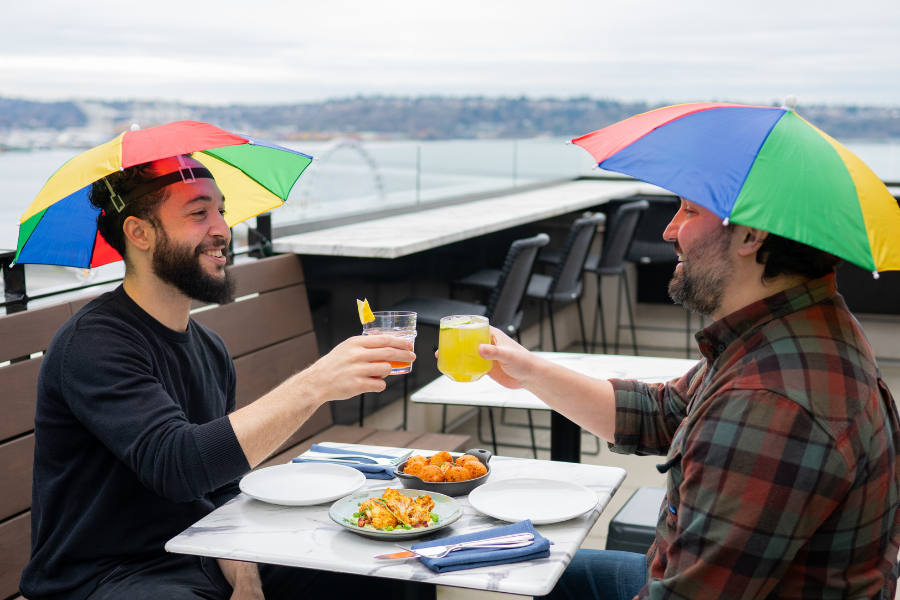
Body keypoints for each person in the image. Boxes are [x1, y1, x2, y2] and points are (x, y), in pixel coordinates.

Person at [20, 155, 416, 600]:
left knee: (392, 570)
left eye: (222, 211)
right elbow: (178, 466)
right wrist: (316, 384)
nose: (223, 230)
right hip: (104, 577)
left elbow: (222, 487)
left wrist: (245, 575)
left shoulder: (209, 347)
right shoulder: (93, 344)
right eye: (198, 213)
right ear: (139, 233)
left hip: (200, 553)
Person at [476, 198, 900, 599]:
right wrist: (528, 371)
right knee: (556, 575)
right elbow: (663, 414)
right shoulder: (792, 324)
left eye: (690, 210)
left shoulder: (769, 403)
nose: (669, 230)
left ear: (751, 235)